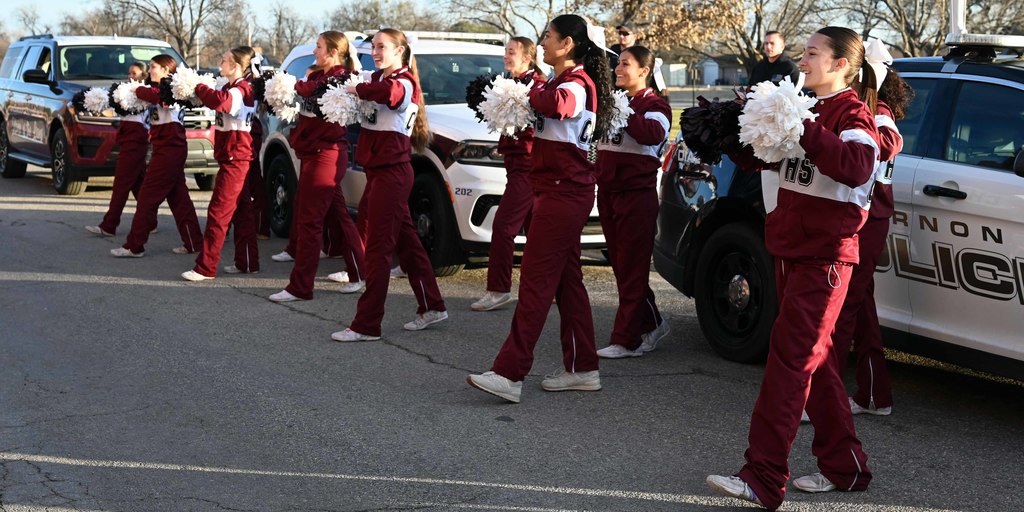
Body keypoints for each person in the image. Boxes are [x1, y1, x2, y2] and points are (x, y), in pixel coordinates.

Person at [706, 26, 880, 510]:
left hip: (825, 258)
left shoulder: (851, 113)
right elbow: (771, 163)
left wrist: (802, 126)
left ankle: (763, 476)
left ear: (842, 64)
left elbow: (857, 165)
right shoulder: (807, 104)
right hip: (790, 249)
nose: (801, 61)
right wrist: (729, 133)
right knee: (817, 364)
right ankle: (846, 467)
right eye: (801, 53)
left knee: (788, 364)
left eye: (812, 53)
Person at [465, 14, 615, 403]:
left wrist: (522, 93)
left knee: (534, 282)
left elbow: (561, 107)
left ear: (567, 44)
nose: (543, 43)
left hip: (564, 195)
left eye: (548, 37)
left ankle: (510, 374)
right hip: (556, 191)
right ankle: (583, 368)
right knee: (567, 284)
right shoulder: (560, 80)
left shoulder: (576, 84)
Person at [330, 28, 447, 341]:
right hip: (380, 173)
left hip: (393, 173)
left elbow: (392, 96)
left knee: (379, 250)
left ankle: (367, 325)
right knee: (406, 241)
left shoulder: (404, 82)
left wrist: (359, 88)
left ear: (400, 51)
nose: (375, 52)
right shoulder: (378, 79)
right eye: (373, 47)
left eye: (382, 47)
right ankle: (432, 305)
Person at [832, 56, 913, 416]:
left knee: (842, 310)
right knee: (861, 307)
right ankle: (874, 394)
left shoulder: (877, 110)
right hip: (863, 214)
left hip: (869, 217)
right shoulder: (863, 107)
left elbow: (889, 144)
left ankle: (822, 399)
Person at [269, 31, 366, 300]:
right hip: (313, 152)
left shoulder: (341, 79)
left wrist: (292, 86)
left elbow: (310, 92)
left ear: (334, 51)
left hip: (327, 154)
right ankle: (359, 270)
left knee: (309, 221)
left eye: (319, 47)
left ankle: (300, 287)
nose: (314, 51)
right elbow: (303, 96)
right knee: (338, 215)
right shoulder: (316, 76)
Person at [594, 45, 672, 359]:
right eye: (618, 64)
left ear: (644, 70)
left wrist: (622, 113)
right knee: (622, 266)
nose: (618, 69)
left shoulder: (655, 105)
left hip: (636, 196)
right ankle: (652, 323)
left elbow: (652, 134)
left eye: (626, 64)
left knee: (633, 268)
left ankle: (627, 339)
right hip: (609, 193)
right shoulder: (615, 101)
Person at [470, 36, 547, 312]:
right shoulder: (509, 83)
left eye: (511, 52)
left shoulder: (536, 86)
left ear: (527, 57)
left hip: (528, 165)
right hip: (514, 163)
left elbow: (534, 125)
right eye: (505, 51)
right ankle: (542, 288)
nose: (506, 56)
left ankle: (498, 289)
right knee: (534, 231)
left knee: (503, 227)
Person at [180, 46, 261, 281]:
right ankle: (247, 262)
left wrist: (197, 86)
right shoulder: (230, 87)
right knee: (243, 211)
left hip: (236, 158)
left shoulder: (240, 89)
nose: (220, 63)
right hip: (233, 156)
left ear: (235, 66)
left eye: (224, 60)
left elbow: (222, 103)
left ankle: (205, 267)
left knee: (218, 212)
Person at [111, 55, 203, 258]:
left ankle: (134, 246)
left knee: (147, 197)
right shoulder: (156, 89)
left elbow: (156, 96)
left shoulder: (170, 89)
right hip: (165, 149)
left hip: (170, 149)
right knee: (179, 198)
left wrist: (134, 88)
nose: (150, 70)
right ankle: (194, 241)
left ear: (165, 70)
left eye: (153, 67)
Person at [85, 62, 151, 238]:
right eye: (129, 72)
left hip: (136, 142)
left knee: (121, 184)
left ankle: (109, 225)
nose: (130, 76)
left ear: (143, 75)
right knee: (137, 184)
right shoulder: (125, 91)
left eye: (135, 73)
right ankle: (151, 221)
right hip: (127, 139)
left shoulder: (143, 92)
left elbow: (130, 109)